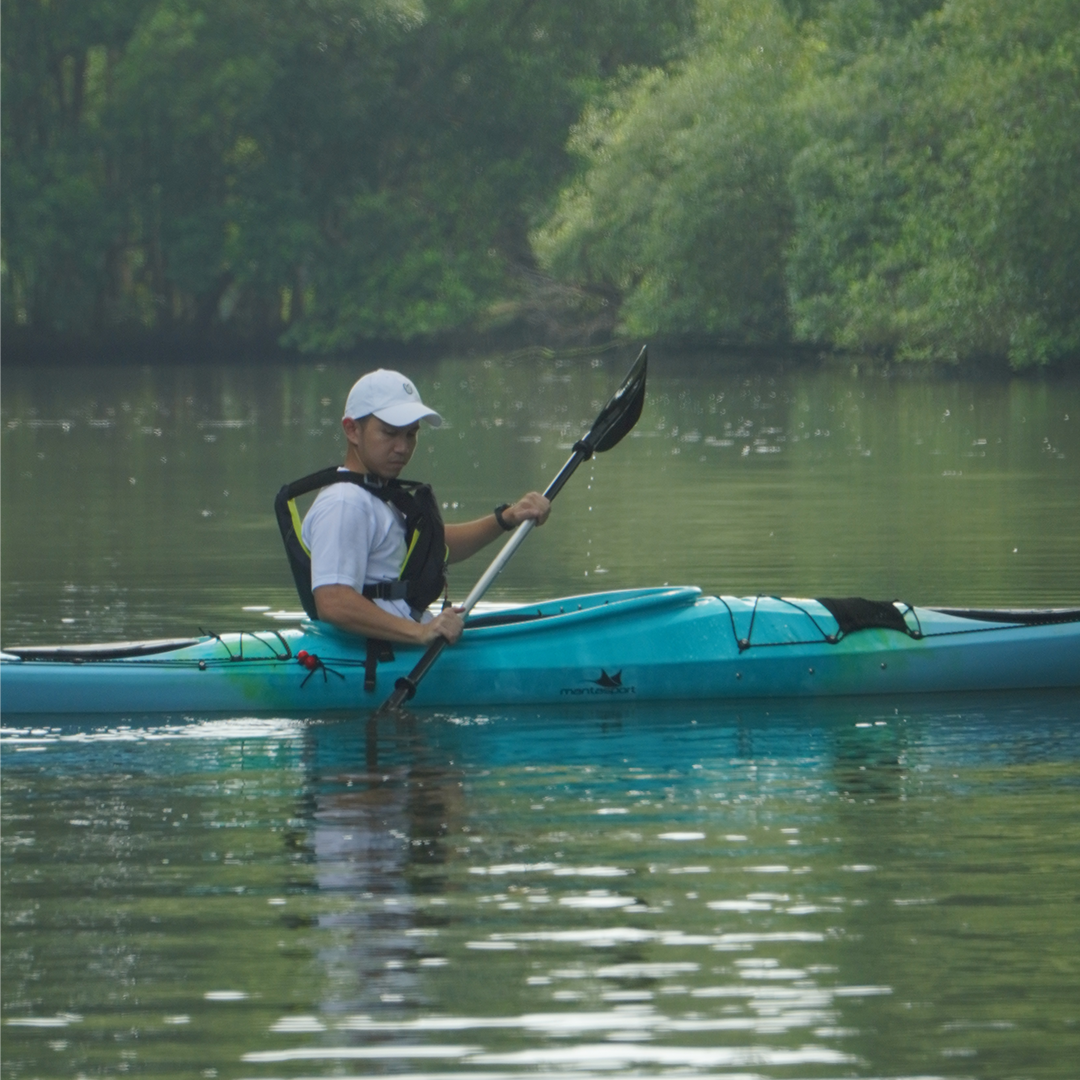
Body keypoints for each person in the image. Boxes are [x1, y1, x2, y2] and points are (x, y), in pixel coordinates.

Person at [286, 369, 550, 648]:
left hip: (398, 649)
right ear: (352, 429)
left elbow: (434, 547)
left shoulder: (376, 494)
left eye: (411, 434)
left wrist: (506, 518)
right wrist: (421, 633)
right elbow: (333, 602)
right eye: (390, 433)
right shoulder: (345, 502)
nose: (403, 447)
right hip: (378, 662)